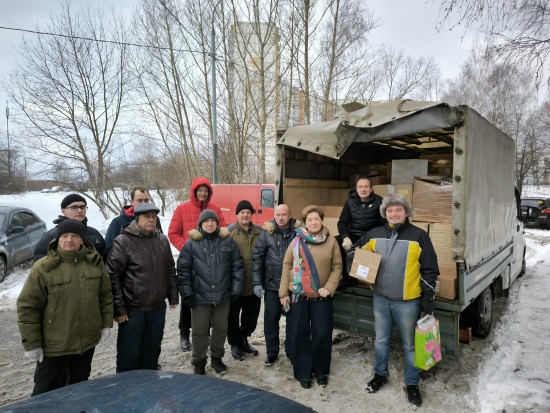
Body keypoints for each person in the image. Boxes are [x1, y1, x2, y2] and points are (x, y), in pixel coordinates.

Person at [346, 193, 438, 407]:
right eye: (389, 210)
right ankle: (380, 374)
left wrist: (427, 300)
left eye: (398, 209)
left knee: (410, 346)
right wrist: (357, 265)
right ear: (384, 213)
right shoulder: (374, 234)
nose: (394, 214)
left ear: (406, 212)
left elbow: (430, 269)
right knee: (380, 341)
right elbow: (354, 251)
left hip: (408, 302)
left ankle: (412, 383)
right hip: (380, 299)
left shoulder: (419, 236)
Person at [17, 219, 113, 396]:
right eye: (65, 236)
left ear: (82, 239)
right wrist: (32, 343)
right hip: (54, 346)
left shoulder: (95, 263)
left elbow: (105, 295)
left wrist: (106, 324)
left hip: (86, 344)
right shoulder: (43, 267)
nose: (69, 239)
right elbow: (28, 307)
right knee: (45, 392)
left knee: (79, 388)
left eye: (75, 236)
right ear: (57, 239)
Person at [107, 203, 179, 373]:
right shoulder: (123, 241)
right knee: (129, 355)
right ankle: (127, 387)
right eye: (147, 217)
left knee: (152, 350)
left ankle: (150, 383)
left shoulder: (161, 239)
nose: (151, 220)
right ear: (137, 218)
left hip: (157, 307)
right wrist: (119, 309)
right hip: (133, 310)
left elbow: (170, 268)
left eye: (154, 217)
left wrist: (173, 296)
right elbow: (113, 276)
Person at [279, 205, 342, 389]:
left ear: (322, 221)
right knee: (300, 333)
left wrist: (329, 288)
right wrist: (283, 292)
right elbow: (286, 265)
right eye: (310, 220)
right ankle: (303, 371)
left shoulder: (331, 242)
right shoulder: (297, 241)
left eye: (316, 219)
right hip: (299, 296)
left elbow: (337, 267)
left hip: (321, 297)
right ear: (305, 223)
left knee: (322, 333)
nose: (313, 222)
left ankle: (321, 370)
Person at [177, 209, 244, 375]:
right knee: (199, 331)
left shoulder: (228, 242)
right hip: (199, 298)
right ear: (200, 224)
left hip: (223, 296)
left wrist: (236, 289)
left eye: (213, 221)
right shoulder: (191, 245)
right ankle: (199, 362)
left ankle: (217, 358)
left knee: (221, 329)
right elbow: (183, 272)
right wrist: (187, 294)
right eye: (206, 221)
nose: (209, 224)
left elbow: (238, 267)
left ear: (217, 223)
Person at [168, 177, 227, 352]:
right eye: (199, 190)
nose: (202, 193)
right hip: (190, 261)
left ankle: (205, 332)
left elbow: (223, 231)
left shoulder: (214, 210)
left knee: (209, 299)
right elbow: (173, 233)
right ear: (194, 192)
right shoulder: (182, 208)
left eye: (205, 191)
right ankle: (184, 334)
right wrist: (187, 248)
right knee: (189, 299)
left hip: (211, 263)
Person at [251, 204, 299, 366]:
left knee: (294, 321)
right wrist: (257, 282)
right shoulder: (266, 234)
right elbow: (257, 259)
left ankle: (292, 352)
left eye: (284, 214)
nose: (280, 218)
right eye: (278, 215)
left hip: (293, 287)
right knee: (271, 321)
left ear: (289, 214)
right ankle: (272, 353)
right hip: (272, 285)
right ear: (274, 215)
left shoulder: (298, 233)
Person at [227, 200, 263, 360]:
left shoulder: (260, 232)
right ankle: (235, 344)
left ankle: (244, 338)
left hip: (254, 284)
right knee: (232, 318)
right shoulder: (229, 232)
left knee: (251, 320)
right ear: (237, 214)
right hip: (235, 285)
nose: (245, 215)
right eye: (242, 212)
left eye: (248, 212)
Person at [337, 177, 384, 286]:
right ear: (356, 189)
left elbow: (384, 224)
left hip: (370, 237)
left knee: (367, 252)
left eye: (366, 187)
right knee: (335, 242)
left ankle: (365, 280)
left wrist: (374, 237)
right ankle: (347, 277)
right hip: (353, 234)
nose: (363, 189)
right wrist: (345, 237)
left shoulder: (379, 201)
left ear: (371, 189)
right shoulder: (350, 201)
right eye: (360, 187)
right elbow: (342, 222)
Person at [34, 193, 106, 261]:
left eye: (82, 207)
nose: (80, 211)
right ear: (63, 211)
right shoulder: (51, 236)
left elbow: (105, 259)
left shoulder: (94, 233)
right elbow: (41, 265)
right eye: (74, 207)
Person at [104, 185, 162, 255]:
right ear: (132, 202)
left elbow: (161, 242)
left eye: (146, 200)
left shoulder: (154, 219)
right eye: (140, 200)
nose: (144, 203)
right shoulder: (118, 222)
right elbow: (109, 250)